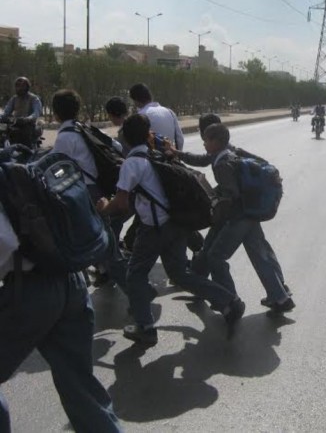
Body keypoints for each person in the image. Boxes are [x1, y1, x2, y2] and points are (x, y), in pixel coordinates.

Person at [96, 114, 245, 345]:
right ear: (148, 135)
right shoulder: (155, 155)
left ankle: (145, 327)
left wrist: (104, 207)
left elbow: (122, 203)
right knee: (179, 274)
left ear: (124, 138)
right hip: (176, 223)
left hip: (154, 228)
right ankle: (229, 301)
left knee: (135, 274)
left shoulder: (131, 164)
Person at [0, 200, 123, 433]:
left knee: (78, 382)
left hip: (30, 287)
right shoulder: (20, 170)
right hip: (70, 278)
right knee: (80, 384)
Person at [190, 123, 294, 313]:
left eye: (206, 140)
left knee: (216, 256)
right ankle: (280, 297)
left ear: (216, 141)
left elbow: (232, 194)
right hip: (251, 212)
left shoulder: (222, 163)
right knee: (259, 254)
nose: (204, 144)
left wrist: (215, 202)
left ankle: (229, 300)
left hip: (239, 217)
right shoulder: (231, 154)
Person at [51, 89, 128, 291]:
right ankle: (106, 272)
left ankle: (132, 286)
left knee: (96, 240)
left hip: (82, 193)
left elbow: (56, 170)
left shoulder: (64, 138)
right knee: (103, 236)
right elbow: (117, 147)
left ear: (56, 113)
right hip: (98, 189)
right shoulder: (86, 128)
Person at [128, 83, 184, 150]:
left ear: (136, 100)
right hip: (170, 156)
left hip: (150, 159)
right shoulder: (169, 112)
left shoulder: (140, 116)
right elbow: (180, 139)